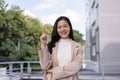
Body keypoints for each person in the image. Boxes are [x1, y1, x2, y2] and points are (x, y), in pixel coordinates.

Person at [38, 16, 83, 80]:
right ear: (56, 30)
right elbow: (45, 66)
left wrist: (54, 71)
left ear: (70, 27)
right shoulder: (52, 45)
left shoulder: (77, 46)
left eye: (65, 26)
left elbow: (76, 66)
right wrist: (43, 44)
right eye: (59, 27)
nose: (63, 29)